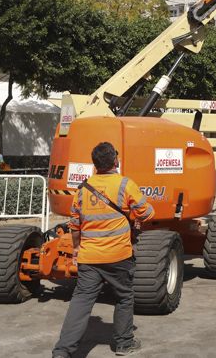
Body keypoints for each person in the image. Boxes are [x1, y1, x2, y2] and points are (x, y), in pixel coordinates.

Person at [52, 142, 154, 357]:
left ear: (95, 163)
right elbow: (147, 213)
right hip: (119, 255)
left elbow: (75, 226)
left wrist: (78, 249)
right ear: (115, 161)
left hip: (90, 256)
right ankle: (124, 343)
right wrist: (134, 217)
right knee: (124, 296)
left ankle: (62, 351)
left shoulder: (83, 189)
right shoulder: (125, 184)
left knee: (81, 301)